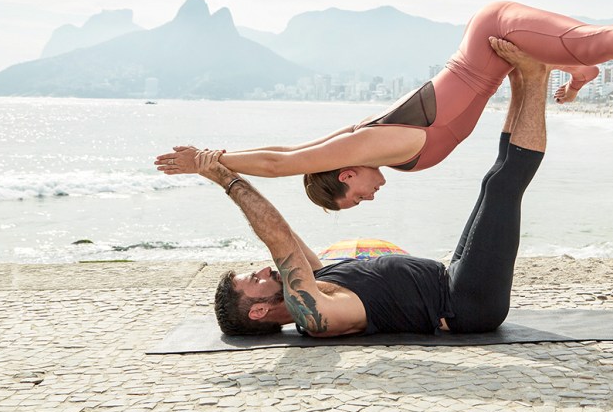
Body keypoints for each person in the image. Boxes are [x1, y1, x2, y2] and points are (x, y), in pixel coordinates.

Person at [156, 1, 613, 210]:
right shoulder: (375, 147)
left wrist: (211, 159)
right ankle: (577, 72)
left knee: (587, 39)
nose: (368, 197)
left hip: (491, 35)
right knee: (578, 54)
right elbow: (291, 152)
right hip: (502, 59)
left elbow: (286, 163)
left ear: (346, 174)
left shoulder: (376, 146)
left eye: (355, 197)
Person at [210, 40, 552, 336]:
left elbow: (281, 229)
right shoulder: (317, 315)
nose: (265, 270)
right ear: (258, 311)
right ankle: (537, 78)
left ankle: (522, 82)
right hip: (466, 303)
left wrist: (225, 164)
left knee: (493, 182)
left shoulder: (314, 278)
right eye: (254, 280)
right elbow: (277, 239)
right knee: (502, 188)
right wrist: (227, 180)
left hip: (451, 278)